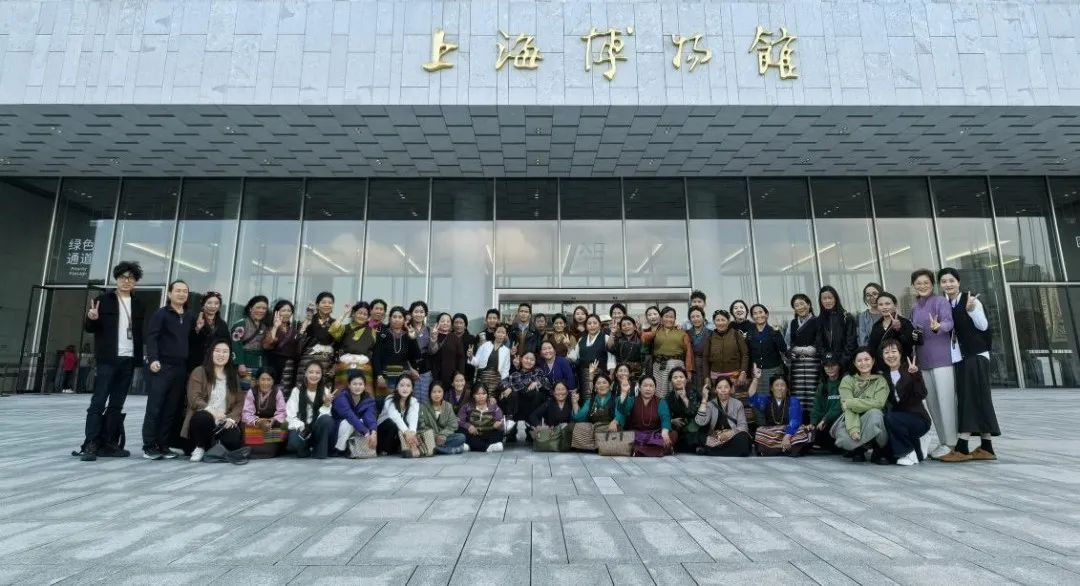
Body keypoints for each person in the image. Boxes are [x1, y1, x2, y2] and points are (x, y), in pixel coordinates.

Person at [79, 261, 144, 461]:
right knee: (98, 401)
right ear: (116, 279)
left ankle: (108, 443)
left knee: (116, 404)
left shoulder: (139, 304)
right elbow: (90, 328)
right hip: (108, 359)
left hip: (128, 359)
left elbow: (139, 333)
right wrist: (91, 318)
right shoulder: (103, 300)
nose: (127, 281)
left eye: (131, 278)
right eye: (123, 277)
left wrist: (139, 359)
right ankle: (91, 443)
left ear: (135, 281)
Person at [938, 267, 1001, 462]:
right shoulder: (947, 304)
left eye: (951, 280)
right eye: (944, 281)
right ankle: (986, 446)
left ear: (958, 282)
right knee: (978, 398)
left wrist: (972, 310)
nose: (948, 284)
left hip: (976, 355)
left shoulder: (970, 300)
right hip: (962, 357)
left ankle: (962, 447)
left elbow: (983, 326)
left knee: (970, 399)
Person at [908, 268, 958, 460]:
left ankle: (951, 443)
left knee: (946, 402)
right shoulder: (915, 308)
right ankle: (943, 441)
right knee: (933, 405)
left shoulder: (940, 302)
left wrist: (939, 326)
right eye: (918, 283)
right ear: (914, 286)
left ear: (932, 284)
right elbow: (914, 333)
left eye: (926, 282)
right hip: (924, 362)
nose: (922, 286)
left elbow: (949, 322)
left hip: (942, 360)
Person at [142, 280, 191, 460]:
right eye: (178, 291)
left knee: (171, 409)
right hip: (162, 367)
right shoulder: (161, 314)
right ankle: (149, 446)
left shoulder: (189, 316)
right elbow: (152, 338)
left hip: (180, 368)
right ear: (170, 294)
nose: (181, 294)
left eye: (185, 291)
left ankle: (163, 445)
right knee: (155, 408)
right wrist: (153, 359)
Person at [181, 340, 246, 463]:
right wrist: (212, 411)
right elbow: (194, 399)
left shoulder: (233, 375)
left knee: (233, 440)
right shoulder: (199, 372)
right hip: (204, 419)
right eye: (217, 351)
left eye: (225, 352)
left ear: (230, 355)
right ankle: (200, 447)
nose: (221, 355)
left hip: (223, 419)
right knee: (202, 417)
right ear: (211, 353)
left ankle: (214, 448)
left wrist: (232, 418)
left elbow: (239, 402)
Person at [833, 348, 889, 464]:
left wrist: (852, 402)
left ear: (873, 361)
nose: (863, 363)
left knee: (875, 413)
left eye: (867, 359)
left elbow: (879, 403)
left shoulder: (881, 380)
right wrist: (853, 429)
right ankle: (858, 449)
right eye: (859, 360)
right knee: (845, 438)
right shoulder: (847, 380)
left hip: (874, 419)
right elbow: (847, 408)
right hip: (853, 420)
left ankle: (879, 450)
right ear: (854, 363)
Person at [880, 339, 931, 466]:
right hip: (899, 420)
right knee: (917, 458)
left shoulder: (910, 369)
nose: (890, 355)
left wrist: (916, 376)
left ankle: (907, 452)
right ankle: (916, 449)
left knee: (890, 418)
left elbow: (922, 394)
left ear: (900, 354)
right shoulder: (884, 376)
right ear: (882, 356)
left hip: (918, 419)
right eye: (886, 352)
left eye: (894, 351)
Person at [748, 374, 812, 456]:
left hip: (790, 432)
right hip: (772, 434)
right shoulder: (766, 400)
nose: (779, 388)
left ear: (787, 388)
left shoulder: (793, 400)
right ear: (771, 388)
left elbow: (795, 420)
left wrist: (787, 436)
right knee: (760, 431)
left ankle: (774, 449)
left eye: (782, 385)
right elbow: (752, 397)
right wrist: (756, 378)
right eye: (776, 385)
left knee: (801, 430)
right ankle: (787, 449)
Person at [616, 375, 676, 457]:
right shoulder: (633, 400)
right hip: (636, 434)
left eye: (651, 386)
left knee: (673, 434)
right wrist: (624, 392)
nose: (648, 388)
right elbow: (623, 409)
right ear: (640, 388)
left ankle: (638, 450)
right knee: (626, 436)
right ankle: (661, 450)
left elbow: (665, 417)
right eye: (645, 385)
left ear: (655, 388)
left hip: (654, 434)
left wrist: (664, 432)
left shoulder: (661, 402)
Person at [641, 307, 693, 399]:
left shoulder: (682, 333)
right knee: (659, 393)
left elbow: (689, 353)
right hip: (659, 366)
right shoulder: (656, 331)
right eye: (666, 316)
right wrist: (644, 327)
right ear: (661, 318)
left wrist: (688, 371)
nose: (669, 319)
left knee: (677, 393)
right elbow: (644, 338)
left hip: (677, 366)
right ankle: (661, 407)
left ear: (675, 319)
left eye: (671, 317)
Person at [285, 361, 334, 459]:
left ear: (321, 375)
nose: (314, 375)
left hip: (316, 428)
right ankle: (305, 449)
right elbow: (291, 415)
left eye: (317, 373)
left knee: (327, 420)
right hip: (301, 428)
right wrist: (304, 428)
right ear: (306, 373)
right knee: (294, 443)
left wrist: (326, 404)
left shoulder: (325, 391)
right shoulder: (297, 391)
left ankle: (319, 451)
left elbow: (325, 417)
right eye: (311, 372)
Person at [695, 376, 753, 457]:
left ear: (731, 389)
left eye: (726, 387)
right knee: (699, 435)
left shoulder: (737, 404)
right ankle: (724, 451)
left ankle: (708, 451)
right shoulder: (710, 404)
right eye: (719, 387)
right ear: (715, 390)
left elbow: (743, 427)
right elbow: (700, 422)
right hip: (715, 438)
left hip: (732, 437)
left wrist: (730, 433)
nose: (723, 390)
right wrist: (704, 399)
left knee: (743, 439)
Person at [504, 350, 553, 443]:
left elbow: (547, 385)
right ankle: (511, 429)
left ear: (535, 362)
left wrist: (537, 382)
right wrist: (509, 387)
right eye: (526, 358)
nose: (529, 361)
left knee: (538, 394)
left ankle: (531, 428)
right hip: (518, 405)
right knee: (512, 394)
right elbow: (504, 382)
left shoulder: (538, 371)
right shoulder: (515, 373)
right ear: (521, 359)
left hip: (532, 405)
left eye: (532, 359)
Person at [786, 293, 820, 423]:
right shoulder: (793, 323)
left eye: (802, 304)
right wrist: (792, 352)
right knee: (798, 397)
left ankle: (814, 425)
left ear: (809, 304)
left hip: (814, 365)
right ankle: (799, 427)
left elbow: (819, 344)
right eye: (796, 305)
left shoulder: (817, 321)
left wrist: (798, 349)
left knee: (813, 395)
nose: (800, 307)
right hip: (797, 366)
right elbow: (788, 344)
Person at [373, 306, 421, 398]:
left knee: (402, 403)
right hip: (385, 378)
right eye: (394, 317)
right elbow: (376, 356)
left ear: (404, 320)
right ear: (390, 318)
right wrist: (379, 376)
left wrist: (413, 338)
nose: (397, 320)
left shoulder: (407, 335)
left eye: (400, 317)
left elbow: (416, 355)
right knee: (383, 404)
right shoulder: (382, 334)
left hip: (403, 379)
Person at [330, 302, 378, 394]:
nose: (362, 316)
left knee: (366, 396)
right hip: (345, 366)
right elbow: (333, 330)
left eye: (365, 314)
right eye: (359, 313)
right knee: (340, 395)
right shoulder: (344, 328)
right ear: (353, 313)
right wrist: (344, 314)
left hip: (364, 368)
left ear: (368, 317)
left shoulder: (372, 332)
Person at [241, 367, 288, 458]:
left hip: (271, 426)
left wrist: (272, 421)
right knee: (243, 423)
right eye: (262, 379)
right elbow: (247, 413)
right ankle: (252, 447)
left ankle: (270, 447)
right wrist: (258, 422)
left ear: (273, 381)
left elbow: (282, 412)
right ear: (258, 381)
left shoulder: (277, 392)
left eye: (269, 380)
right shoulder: (252, 392)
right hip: (255, 425)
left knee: (284, 424)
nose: (265, 383)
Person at [297, 292, 338, 390]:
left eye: (330, 303)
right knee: (303, 391)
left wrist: (335, 365)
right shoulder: (309, 320)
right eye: (323, 302)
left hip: (326, 364)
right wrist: (307, 322)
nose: (327, 305)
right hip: (307, 362)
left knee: (323, 393)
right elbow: (299, 340)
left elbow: (338, 346)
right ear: (317, 305)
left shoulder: (335, 323)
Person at [470, 323, 512, 418]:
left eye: (503, 333)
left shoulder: (506, 350)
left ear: (506, 335)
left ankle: (496, 419)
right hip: (483, 377)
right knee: (482, 397)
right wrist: (471, 356)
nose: (500, 334)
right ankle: (479, 418)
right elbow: (476, 362)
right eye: (499, 332)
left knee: (496, 400)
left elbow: (506, 369)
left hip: (496, 379)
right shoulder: (485, 345)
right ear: (494, 333)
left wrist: (504, 385)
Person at [331, 371, 377, 457]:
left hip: (356, 428)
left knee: (364, 421)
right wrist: (366, 432)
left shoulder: (368, 399)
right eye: (354, 384)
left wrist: (373, 432)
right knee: (349, 423)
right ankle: (339, 449)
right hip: (338, 430)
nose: (357, 387)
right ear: (349, 385)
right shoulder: (341, 398)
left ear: (364, 386)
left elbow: (370, 416)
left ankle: (353, 449)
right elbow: (350, 416)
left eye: (360, 384)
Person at [572, 371, 621, 451]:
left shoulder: (616, 399)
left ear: (610, 386)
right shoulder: (590, 401)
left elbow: (621, 413)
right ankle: (599, 446)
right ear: (595, 387)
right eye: (598, 383)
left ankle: (595, 446)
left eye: (604, 382)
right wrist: (575, 403)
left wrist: (615, 421)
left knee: (613, 430)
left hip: (609, 429)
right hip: (594, 430)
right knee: (575, 427)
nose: (601, 385)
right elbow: (579, 419)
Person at [868, 292, 918, 369]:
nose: (884, 307)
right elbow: (872, 348)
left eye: (887, 304)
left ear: (895, 305)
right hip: (883, 368)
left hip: (903, 367)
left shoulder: (905, 322)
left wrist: (899, 330)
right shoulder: (876, 326)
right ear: (877, 307)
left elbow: (910, 344)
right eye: (880, 304)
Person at [815, 285, 858, 371]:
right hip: (828, 366)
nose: (827, 301)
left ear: (835, 299)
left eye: (830, 298)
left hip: (846, 365)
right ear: (820, 301)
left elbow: (851, 343)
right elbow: (819, 345)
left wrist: (840, 363)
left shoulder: (847, 318)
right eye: (824, 298)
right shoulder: (819, 320)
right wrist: (828, 361)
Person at [702, 310, 749, 387]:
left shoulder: (736, 334)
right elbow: (705, 358)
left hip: (734, 375)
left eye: (723, 320)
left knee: (735, 394)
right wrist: (706, 377)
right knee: (718, 394)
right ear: (714, 322)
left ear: (728, 321)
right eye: (717, 320)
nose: (720, 323)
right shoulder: (710, 336)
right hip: (715, 377)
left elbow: (745, 354)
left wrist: (743, 372)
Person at [419, 382, 468, 455]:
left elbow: (453, 425)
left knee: (461, 437)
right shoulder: (423, 407)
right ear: (430, 393)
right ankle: (452, 450)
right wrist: (435, 436)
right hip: (429, 438)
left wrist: (442, 435)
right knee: (421, 439)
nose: (437, 394)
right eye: (434, 392)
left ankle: (435, 449)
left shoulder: (448, 406)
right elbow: (421, 426)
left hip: (444, 438)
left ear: (443, 393)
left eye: (439, 392)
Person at [809, 353, 844, 452]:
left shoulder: (845, 382)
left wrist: (826, 419)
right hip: (826, 424)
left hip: (840, 422)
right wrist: (813, 423)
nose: (830, 368)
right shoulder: (823, 385)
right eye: (826, 366)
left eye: (833, 365)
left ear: (839, 366)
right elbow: (817, 407)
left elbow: (840, 405)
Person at [745, 303, 787, 385]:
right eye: (755, 313)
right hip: (756, 372)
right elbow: (748, 353)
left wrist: (777, 332)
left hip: (774, 370)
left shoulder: (773, 330)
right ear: (752, 317)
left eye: (761, 312)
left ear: (766, 314)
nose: (758, 315)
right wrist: (748, 372)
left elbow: (783, 348)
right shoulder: (750, 333)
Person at [262, 299, 300, 390]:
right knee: (272, 390)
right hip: (273, 365)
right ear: (277, 312)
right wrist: (275, 327)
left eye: (289, 311)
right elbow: (267, 345)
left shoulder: (294, 331)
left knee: (286, 391)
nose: (286, 313)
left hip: (289, 368)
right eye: (283, 310)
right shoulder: (270, 328)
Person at [188, 291, 229, 373]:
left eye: (216, 303)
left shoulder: (222, 324)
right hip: (196, 363)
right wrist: (197, 329)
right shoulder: (194, 320)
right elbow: (189, 341)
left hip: (215, 363)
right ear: (203, 305)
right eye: (209, 303)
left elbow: (227, 343)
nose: (213, 306)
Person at [230, 295, 269, 381]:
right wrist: (240, 363)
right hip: (244, 365)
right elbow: (235, 344)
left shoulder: (264, 326)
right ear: (250, 308)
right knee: (245, 387)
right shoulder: (241, 324)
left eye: (264, 308)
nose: (261, 310)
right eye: (258, 307)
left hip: (259, 365)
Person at [458, 383, 505, 452]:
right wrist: (469, 426)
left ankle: (472, 447)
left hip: (489, 433)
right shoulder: (467, 407)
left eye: (484, 394)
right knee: (461, 431)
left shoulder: (494, 407)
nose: (481, 396)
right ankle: (489, 447)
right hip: (474, 434)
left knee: (499, 433)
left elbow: (500, 419)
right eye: (478, 394)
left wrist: (498, 424)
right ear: (473, 395)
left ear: (487, 395)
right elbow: (460, 421)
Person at [430, 312, 466, 397]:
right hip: (434, 374)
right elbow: (431, 352)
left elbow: (461, 358)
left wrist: (460, 375)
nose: (445, 323)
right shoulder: (432, 335)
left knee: (449, 398)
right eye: (442, 321)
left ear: (451, 324)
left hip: (450, 375)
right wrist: (433, 338)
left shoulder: (455, 338)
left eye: (448, 321)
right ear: (437, 323)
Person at [665, 367, 701, 453]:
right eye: (675, 377)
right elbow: (665, 415)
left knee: (692, 431)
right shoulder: (669, 397)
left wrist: (684, 398)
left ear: (686, 380)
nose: (678, 380)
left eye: (681, 377)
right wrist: (672, 421)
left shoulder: (693, 393)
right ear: (671, 381)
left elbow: (694, 413)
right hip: (677, 427)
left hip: (692, 427)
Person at [574, 314, 610, 397]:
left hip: (601, 374)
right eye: (589, 323)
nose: (592, 325)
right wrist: (568, 347)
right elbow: (575, 357)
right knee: (587, 397)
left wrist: (611, 375)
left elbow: (611, 359)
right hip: (584, 375)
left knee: (600, 397)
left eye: (595, 323)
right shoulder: (581, 339)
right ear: (586, 326)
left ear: (599, 325)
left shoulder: (606, 338)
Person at [407, 301, 434, 404]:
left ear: (425, 314)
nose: (419, 314)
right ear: (411, 313)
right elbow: (403, 353)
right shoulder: (406, 329)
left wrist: (434, 339)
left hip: (426, 369)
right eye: (416, 311)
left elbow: (432, 351)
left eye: (421, 312)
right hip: (410, 368)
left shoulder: (429, 330)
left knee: (425, 399)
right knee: (411, 400)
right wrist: (410, 369)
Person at [610, 316, 645, 381]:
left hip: (636, 373)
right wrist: (612, 332)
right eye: (623, 325)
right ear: (621, 329)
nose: (626, 327)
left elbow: (645, 359)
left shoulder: (640, 340)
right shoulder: (618, 340)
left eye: (629, 324)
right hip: (621, 372)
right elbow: (610, 348)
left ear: (634, 327)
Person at [685, 307, 710, 392]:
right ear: (690, 319)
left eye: (698, 316)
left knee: (705, 391)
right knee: (692, 391)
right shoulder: (686, 333)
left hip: (706, 366)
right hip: (691, 366)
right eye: (693, 317)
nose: (695, 319)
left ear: (703, 317)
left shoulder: (711, 333)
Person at [452, 313, 478, 382]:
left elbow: (474, 359)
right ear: (452, 325)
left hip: (467, 374)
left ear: (465, 326)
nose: (458, 325)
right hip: (450, 373)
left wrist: (471, 356)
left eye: (461, 323)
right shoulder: (448, 337)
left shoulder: (471, 339)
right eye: (456, 323)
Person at [856, 282, 883, 347]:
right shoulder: (862, 316)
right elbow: (862, 341)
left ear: (881, 295)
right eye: (868, 295)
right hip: (871, 351)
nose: (872, 297)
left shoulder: (889, 313)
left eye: (875, 294)